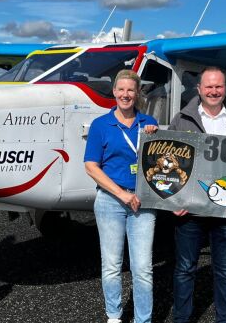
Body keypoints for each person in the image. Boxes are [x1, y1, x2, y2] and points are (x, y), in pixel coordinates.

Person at [168, 67, 226, 323]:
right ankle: (182, 319)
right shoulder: (181, 119)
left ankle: (224, 319)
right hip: (190, 211)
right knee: (184, 269)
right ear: (199, 89)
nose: (214, 91)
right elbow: (169, 162)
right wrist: (173, 201)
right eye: (209, 87)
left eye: (218, 87)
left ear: (225, 88)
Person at [84, 69, 159, 323]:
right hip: (109, 201)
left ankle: (143, 319)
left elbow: (159, 163)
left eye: (131, 90)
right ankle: (114, 317)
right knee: (112, 266)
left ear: (137, 93)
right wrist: (121, 194)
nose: (126, 95)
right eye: (121, 90)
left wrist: (155, 137)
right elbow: (91, 166)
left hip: (143, 202)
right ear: (114, 92)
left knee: (143, 270)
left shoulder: (149, 123)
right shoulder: (100, 125)